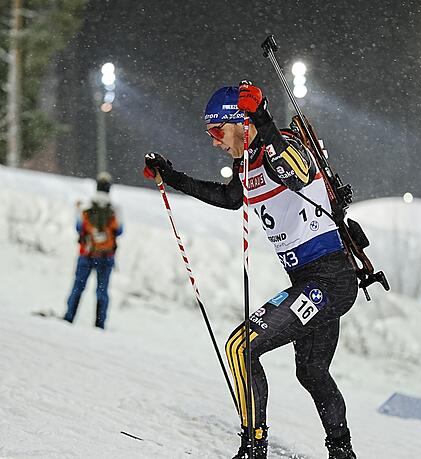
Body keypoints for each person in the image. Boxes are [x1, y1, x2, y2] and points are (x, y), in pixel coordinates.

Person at [144, 83, 358, 459]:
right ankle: (342, 452)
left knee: (240, 347)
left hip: (330, 279)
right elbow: (229, 197)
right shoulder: (248, 163)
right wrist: (172, 176)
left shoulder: (281, 147)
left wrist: (261, 117)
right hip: (309, 280)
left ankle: (253, 448)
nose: (214, 142)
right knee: (311, 371)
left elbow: (299, 173)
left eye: (217, 131)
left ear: (241, 123)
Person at [63, 172, 123, 329]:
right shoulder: (115, 210)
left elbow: (78, 228)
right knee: (102, 292)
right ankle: (99, 324)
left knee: (78, 287)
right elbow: (120, 231)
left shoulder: (86, 206)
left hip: (87, 254)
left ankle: (69, 317)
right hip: (106, 256)